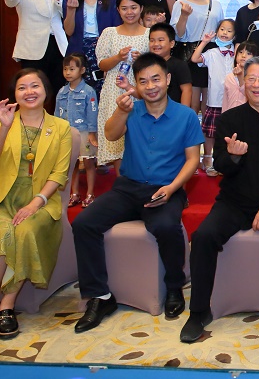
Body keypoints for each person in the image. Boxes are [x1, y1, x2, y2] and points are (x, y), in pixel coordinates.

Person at [71, 54, 203, 333]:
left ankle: (174, 286)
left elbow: (193, 159)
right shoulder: (131, 108)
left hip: (166, 188)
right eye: (143, 81)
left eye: (156, 79)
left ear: (168, 79)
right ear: (137, 84)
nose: (151, 86)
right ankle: (100, 296)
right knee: (84, 223)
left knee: (166, 226)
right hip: (128, 188)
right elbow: (110, 135)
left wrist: (172, 189)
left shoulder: (186, 116)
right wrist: (121, 111)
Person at [180, 56, 259, 344]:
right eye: (251, 79)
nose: (257, 85)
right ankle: (198, 311)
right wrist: (234, 156)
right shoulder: (230, 119)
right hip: (235, 201)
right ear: (243, 83)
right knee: (203, 236)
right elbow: (220, 165)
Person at [0, 69, 72, 341]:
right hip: (0, 199)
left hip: (40, 200)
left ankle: (7, 305)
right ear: (14, 95)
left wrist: (35, 203)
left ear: (46, 90)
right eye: (22, 88)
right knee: (1, 231)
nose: (29, 92)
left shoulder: (61, 127)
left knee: (24, 231)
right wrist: (5, 126)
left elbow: (59, 174)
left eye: (35, 86)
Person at [94, 0, 150, 173]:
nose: (129, 12)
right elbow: (102, 64)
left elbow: (154, 66)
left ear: (141, 8)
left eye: (134, 7)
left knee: (140, 137)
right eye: (124, 8)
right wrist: (118, 57)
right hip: (114, 91)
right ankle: (121, 182)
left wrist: (141, 60)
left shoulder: (149, 34)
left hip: (140, 90)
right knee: (117, 138)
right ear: (118, 10)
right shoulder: (109, 33)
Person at [5, 0, 68, 97]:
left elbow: (65, 14)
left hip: (58, 45)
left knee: (61, 92)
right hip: (32, 47)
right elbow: (10, 2)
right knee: (33, 91)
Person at [170, 0, 224, 115]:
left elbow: (221, 31)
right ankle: (191, 130)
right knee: (191, 102)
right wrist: (184, 15)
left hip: (211, 53)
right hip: (188, 53)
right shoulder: (180, 4)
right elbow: (178, 35)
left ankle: (206, 130)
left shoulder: (216, 4)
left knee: (210, 101)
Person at [62, 0, 121, 94]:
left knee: (103, 92)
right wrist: (71, 10)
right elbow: (69, 31)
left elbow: (116, 31)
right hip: (78, 51)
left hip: (103, 50)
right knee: (79, 94)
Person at [189, 19, 238, 175]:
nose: (225, 33)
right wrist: (204, 42)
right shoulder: (212, 53)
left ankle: (225, 160)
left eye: (229, 31)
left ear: (234, 35)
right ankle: (207, 158)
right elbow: (194, 59)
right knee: (210, 132)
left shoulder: (237, 54)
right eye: (222, 29)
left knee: (230, 132)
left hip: (233, 100)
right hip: (215, 100)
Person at [55, 53, 99, 207]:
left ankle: (90, 193)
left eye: (72, 69)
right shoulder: (62, 92)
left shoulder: (88, 91)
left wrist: (92, 133)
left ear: (82, 70)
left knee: (88, 163)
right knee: (71, 164)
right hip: (67, 132)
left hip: (85, 131)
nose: (68, 72)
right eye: (65, 69)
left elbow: (92, 112)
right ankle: (74, 193)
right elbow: (57, 114)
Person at [147, 22, 192, 107]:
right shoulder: (147, 65)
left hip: (174, 110)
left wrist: (183, 112)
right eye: (152, 40)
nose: (156, 44)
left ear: (172, 43)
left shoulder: (179, 65)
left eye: (160, 40)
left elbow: (187, 90)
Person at [222, 42, 259, 112]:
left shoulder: (255, 78)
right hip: (230, 115)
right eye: (241, 52)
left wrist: (240, 77)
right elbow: (225, 102)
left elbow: (250, 96)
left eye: (249, 53)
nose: (243, 56)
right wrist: (224, 116)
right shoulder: (229, 77)